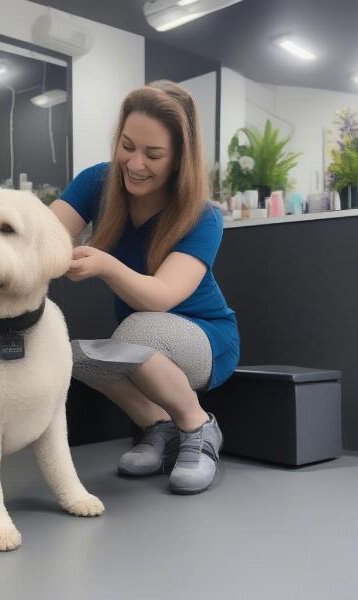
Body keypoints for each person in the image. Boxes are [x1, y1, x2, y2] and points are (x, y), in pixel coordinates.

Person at [50, 80, 240, 495]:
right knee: (71, 357)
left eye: (153, 154)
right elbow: (44, 236)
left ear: (178, 160)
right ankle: (159, 427)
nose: (135, 163)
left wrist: (103, 263)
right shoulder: (97, 183)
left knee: (137, 332)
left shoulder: (203, 217)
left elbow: (161, 296)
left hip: (206, 339)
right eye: (127, 146)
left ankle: (198, 426)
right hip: (140, 337)